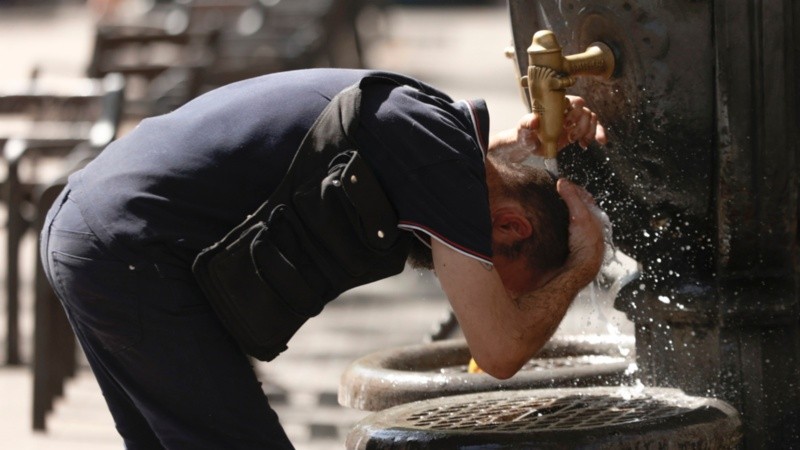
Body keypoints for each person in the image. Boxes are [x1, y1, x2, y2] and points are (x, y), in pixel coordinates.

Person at [39, 68, 606, 449]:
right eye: (512, 289)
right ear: (511, 227)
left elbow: (433, 176)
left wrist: (520, 146)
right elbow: (501, 351)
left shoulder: (434, 140)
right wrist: (581, 266)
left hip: (91, 223)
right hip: (128, 248)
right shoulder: (440, 161)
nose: (487, 294)